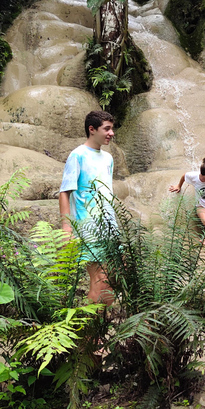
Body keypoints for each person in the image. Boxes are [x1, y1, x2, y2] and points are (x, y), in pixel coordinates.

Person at [59, 110, 116, 305]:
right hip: (88, 227)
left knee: (108, 285)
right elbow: (64, 192)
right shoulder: (78, 155)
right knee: (99, 281)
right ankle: (90, 334)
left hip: (108, 227)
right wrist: (67, 227)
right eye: (106, 129)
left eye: (112, 129)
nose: (111, 133)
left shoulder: (108, 159)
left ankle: (99, 330)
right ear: (92, 130)